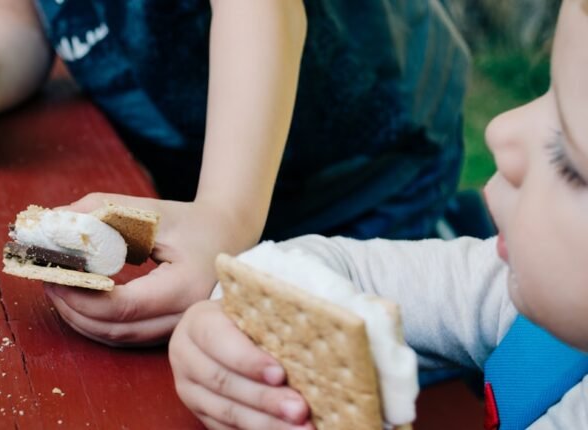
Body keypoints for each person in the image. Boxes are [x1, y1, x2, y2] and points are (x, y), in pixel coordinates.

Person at [0, 0, 468, 345]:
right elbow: (21, 22)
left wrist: (225, 215)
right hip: (201, 174)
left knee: (383, 352)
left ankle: (468, 245)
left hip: (366, 168)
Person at [168, 1, 588, 428]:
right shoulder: (507, 294)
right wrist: (228, 329)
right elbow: (313, 275)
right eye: (545, 93)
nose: (501, 130)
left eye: (571, 161)